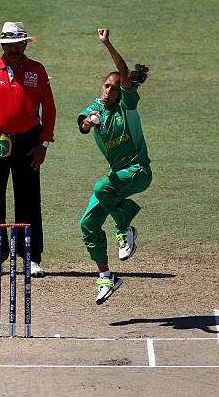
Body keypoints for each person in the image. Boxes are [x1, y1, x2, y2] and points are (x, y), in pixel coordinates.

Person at [0, 21, 56, 277]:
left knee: (29, 198)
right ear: (3, 46)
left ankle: (30, 257)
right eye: (8, 45)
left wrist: (43, 143)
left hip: (29, 141)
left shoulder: (37, 71)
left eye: (17, 45)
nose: (13, 50)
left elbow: (49, 109)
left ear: (24, 44)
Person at [78, 29, 152, 304]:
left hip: (138, 171)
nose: (109, 90)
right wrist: (89, 122)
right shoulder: (96, 106)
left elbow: (121, 70)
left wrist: (106, 43)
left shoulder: (128, 105)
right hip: (117, 180)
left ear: (123, 90)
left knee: (102, 186)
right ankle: (107, 277)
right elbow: (83, 124)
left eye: (114, 87)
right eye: (106, 86)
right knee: (87, 223)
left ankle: (125, 229)